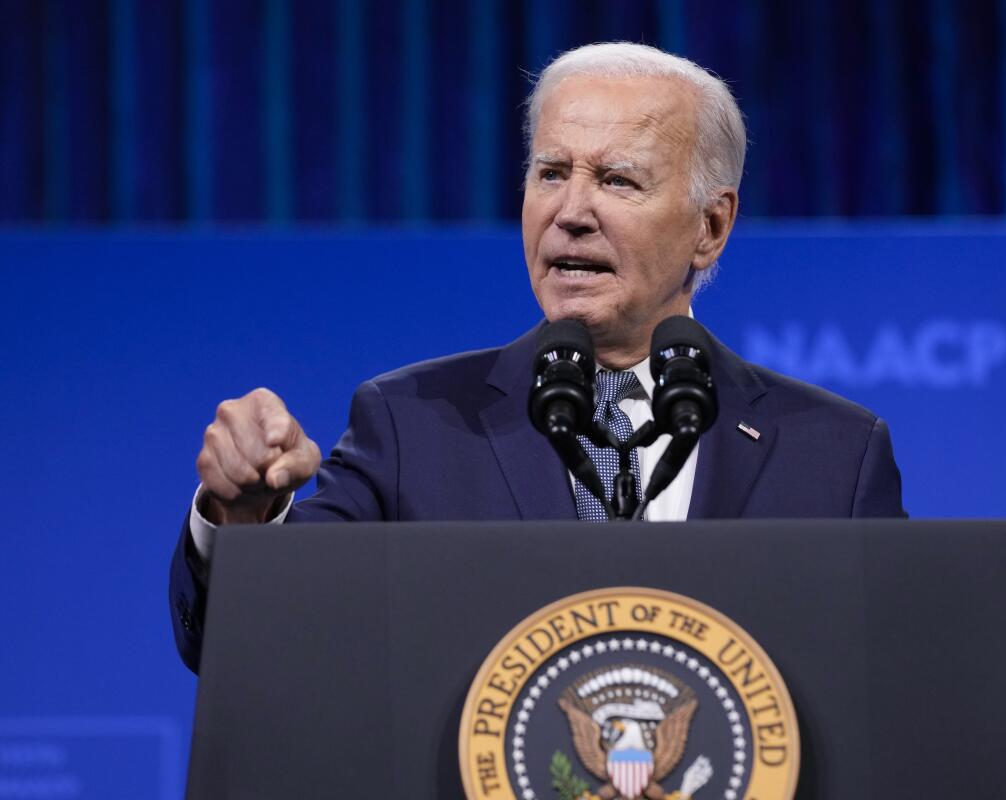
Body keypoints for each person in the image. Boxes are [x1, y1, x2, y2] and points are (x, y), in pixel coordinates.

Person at [170, 42, 908, 673]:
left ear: (710, 226)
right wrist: (246, 514)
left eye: (618, 180)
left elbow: (895, 692)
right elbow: (268, 647)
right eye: (551, 173)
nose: (571, 211)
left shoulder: (834, 454)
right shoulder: (411, 425)